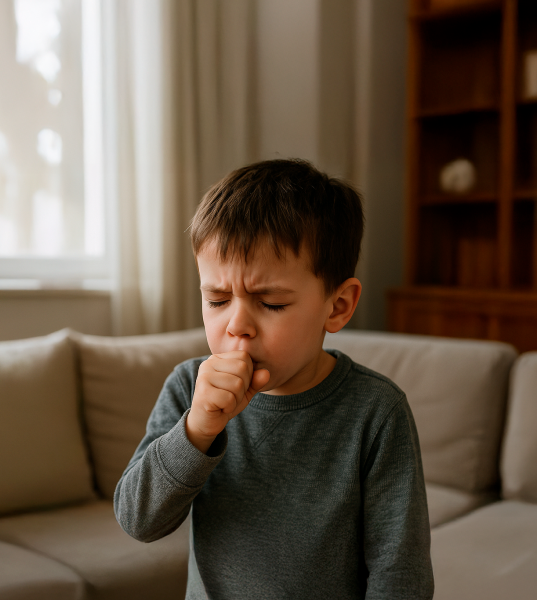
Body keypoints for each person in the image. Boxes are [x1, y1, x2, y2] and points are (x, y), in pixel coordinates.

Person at [113, 159, 433, 599]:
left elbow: (401, 575)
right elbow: (137, 519)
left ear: (337, 306)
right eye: (218, 299)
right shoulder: (189, 388)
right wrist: (198, 429)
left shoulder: (376, 412)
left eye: (272, 303)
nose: (237, 325)